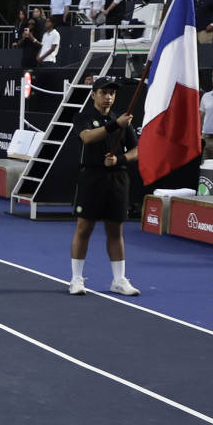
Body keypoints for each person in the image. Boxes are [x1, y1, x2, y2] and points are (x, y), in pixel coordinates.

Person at [68, 77, 139, 295]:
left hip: (117, 179)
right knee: (84, 228)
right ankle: (76, 279)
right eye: (103, 93)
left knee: (115, 230)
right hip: (91, 177)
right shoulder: (83, 117)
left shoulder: (122, 121)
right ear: (93, 95)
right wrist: (114, 125)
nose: (108, 97)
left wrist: (120, 160)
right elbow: (87, 137)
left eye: (112, 93)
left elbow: (137, 150)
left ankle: (119, 280)